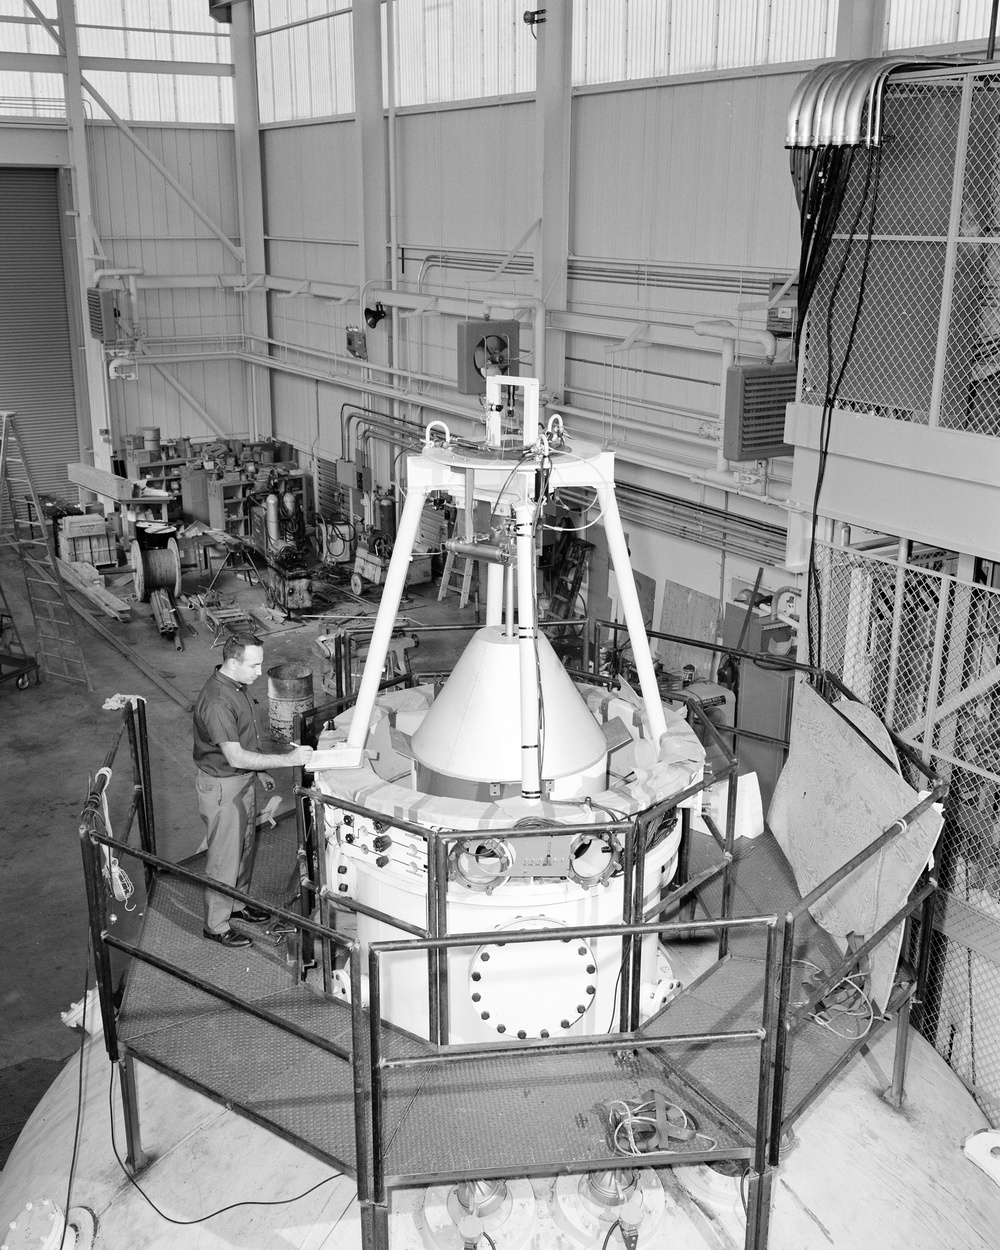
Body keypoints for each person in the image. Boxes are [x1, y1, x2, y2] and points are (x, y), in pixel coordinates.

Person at [193, 632, 313, 948]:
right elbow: (233, 755)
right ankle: (215, 925)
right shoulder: (218, 701)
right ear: (233, 662)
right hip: (223, 787)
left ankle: (236, 903)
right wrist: (286, 759)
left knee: (244, 847)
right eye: (254, 665)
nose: (260, 672)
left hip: (241, 780)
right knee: (224, 857)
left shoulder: (236, 685)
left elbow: (244, 739)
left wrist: (258, 772)